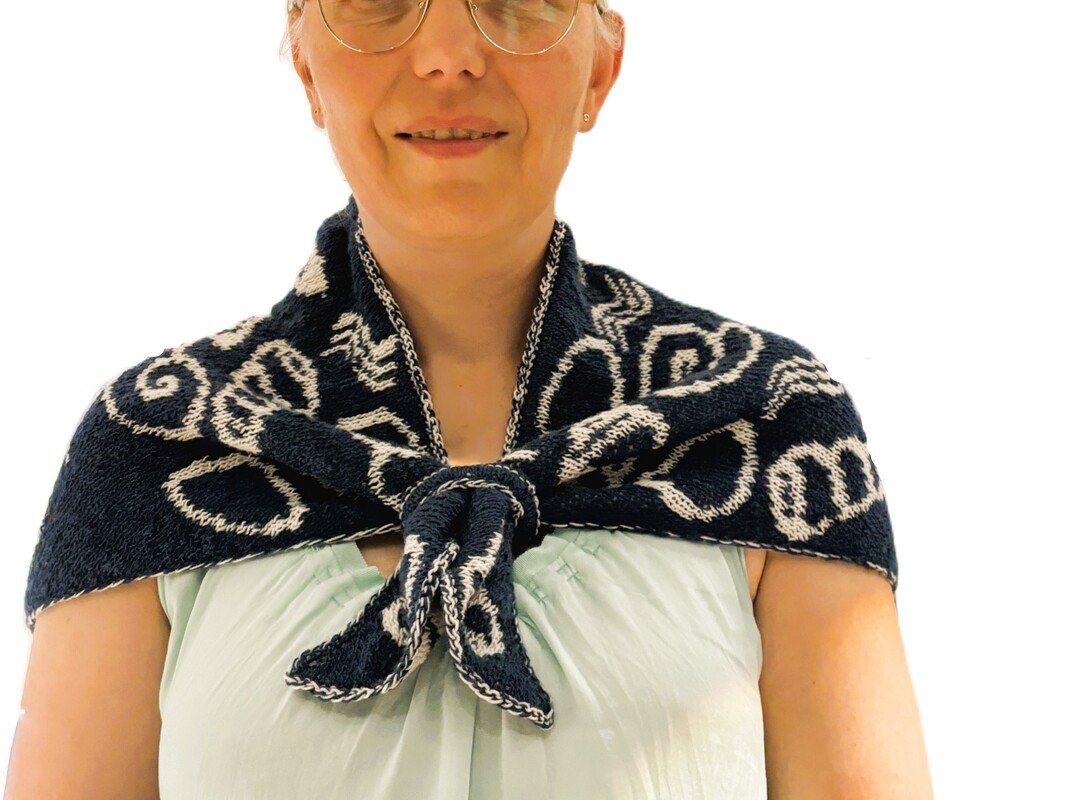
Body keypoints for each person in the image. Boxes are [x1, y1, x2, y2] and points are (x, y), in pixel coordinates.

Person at [7, 1, 934, 797]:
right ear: (306, 66)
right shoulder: (160, 440)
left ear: (600, 67)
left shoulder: (762, 424)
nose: (449, 57)